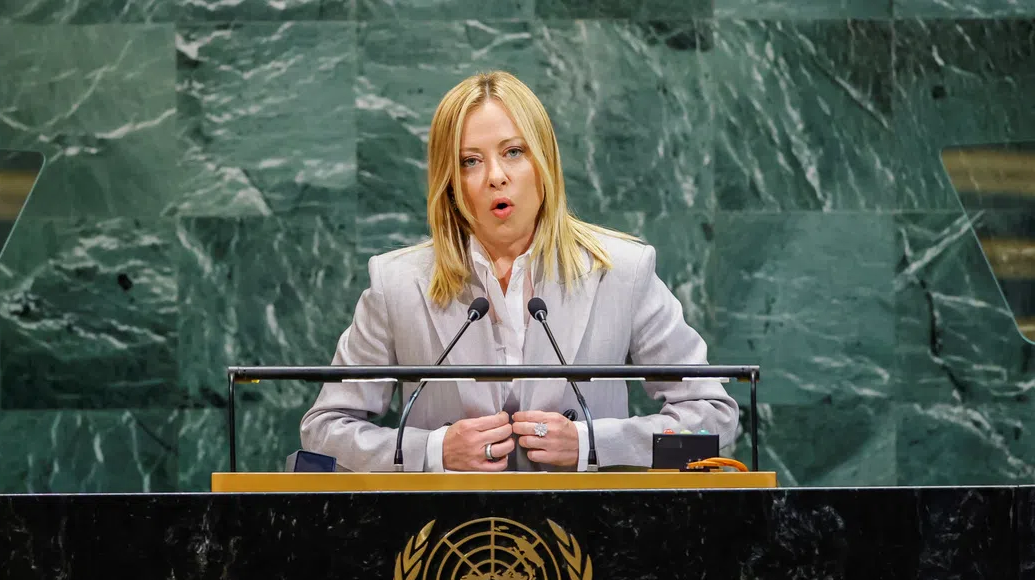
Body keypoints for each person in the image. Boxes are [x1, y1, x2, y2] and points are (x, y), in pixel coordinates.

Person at [300, 70, 737, 472]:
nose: (495, 176)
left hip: (595, 536)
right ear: (449, 181)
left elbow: (713, 424)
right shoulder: (397, 283)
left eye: (513, 152)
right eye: (470, 161)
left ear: (543, 163)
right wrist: (433, 451)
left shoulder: (621, 271)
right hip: (448, 541)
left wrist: (592, 445)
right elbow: (323, 432)